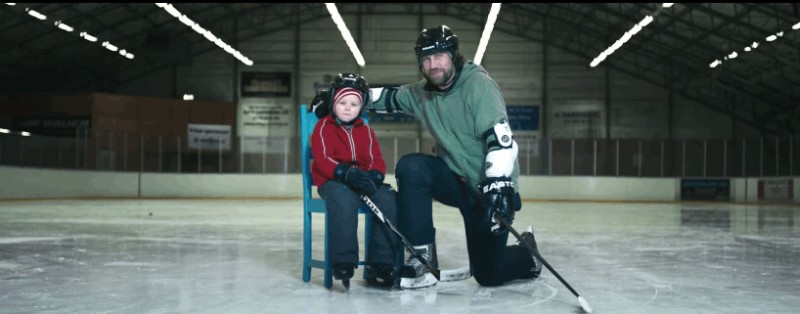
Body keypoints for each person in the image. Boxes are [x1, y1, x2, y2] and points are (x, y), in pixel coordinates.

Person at [314, 25, 542, 289]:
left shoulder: (478, 85)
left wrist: (500, 187)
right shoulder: (421, 92)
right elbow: (382, 97)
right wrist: (335, 96)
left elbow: (501, 140)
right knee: (413, 167)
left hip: (487, 187)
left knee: (489, 275)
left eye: (440, 56)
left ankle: (528, 253)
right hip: (453, 179)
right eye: (426, 58)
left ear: (453, 55)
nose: (433, 64)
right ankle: (421, 258)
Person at [310, 73, 399, 289]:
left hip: (360, 180)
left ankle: (381, 263)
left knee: (388, 199)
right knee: (343, 200)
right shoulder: (324, 126)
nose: (348, 108)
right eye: (342, 102)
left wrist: (376, 176)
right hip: (333, 181)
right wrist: (343, 173)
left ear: (361, 107)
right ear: (333, 102)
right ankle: (343, 261)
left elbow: (375, 158)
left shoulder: (365, 130)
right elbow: (322, 159)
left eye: (354, 104)